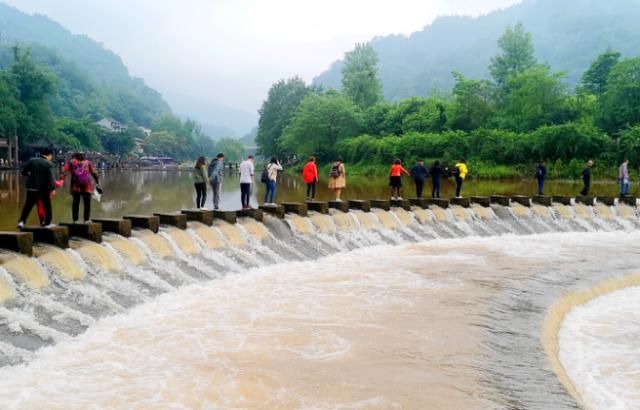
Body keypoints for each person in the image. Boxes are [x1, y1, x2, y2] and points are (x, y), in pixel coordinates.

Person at [17, 148, 57, 228]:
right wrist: (53, 188)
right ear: (50, 155)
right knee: (47, 206)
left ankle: (21, 221)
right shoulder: (49, 164)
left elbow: (24, 172)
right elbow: (51, 178)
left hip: (32, 188)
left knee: (28, 206)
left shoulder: (32, 161)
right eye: (51, 156)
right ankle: (47, 223)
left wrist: (31, 175)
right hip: (44, 189)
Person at [58, 153, 100, 224]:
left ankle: (75, 220)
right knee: (87, 204)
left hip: (75, 187)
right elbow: (94, 173)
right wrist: (97, 182)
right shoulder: (87, 163)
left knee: (75, 203)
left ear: (75, 157)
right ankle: (86, 220)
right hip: (86, 186)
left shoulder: (71, 163)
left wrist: (61, 179)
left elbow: (63, 170)